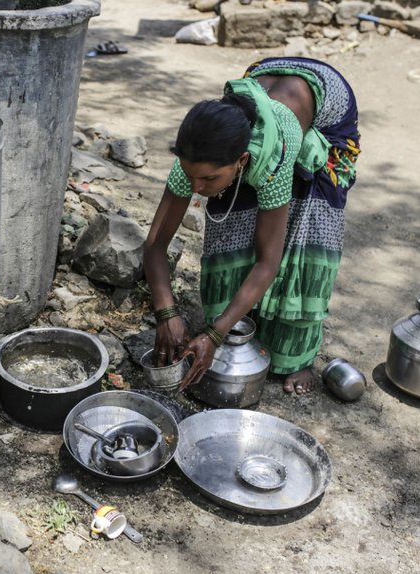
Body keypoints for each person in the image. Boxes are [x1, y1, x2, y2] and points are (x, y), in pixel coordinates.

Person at [142, 57, 361, 395]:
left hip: (323, 112)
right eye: (190, 176)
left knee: (303, 229)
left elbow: (268, 262)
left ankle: (296, 358)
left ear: (243, 160)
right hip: (268, 89)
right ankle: (240, 323)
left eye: (209, 178)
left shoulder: (277, 151)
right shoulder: (196, 156)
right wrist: (165, 313)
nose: (196, 188)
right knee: (231, 218)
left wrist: (215, 335)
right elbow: (155, 244)